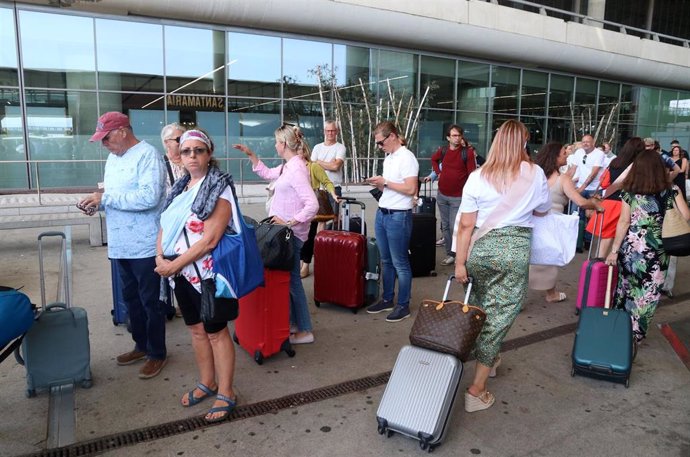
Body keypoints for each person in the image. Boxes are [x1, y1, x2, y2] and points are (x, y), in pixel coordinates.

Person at [453, 120, 551, 412]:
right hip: (513, 251)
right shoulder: (535, 173)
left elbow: (466, 224)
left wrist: (460, 263)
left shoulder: (477, 176)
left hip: (480, 252)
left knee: (483, 308)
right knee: (499, 317)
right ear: (523, 143)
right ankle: (476, 389)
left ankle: (491, 359)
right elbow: (543, 209)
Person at [154, 128, 239, 423]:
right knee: (196, 330)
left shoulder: (219, 187)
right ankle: (208, 382)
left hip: (206, 275)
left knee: (216, 333)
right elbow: (164, 225)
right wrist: (160, 257)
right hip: (178, 273)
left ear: (209, 153)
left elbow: (210, 240)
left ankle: (226, 391)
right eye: (186, 150)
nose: (192, 156)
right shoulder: (180, 188)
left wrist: (172, 266)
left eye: (198, 150)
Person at [79, 112, 167, 379]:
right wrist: (99, 202)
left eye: (106, 138)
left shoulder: (148, 155)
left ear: (122, 132)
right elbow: (115, 195)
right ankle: (141, 344)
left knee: (150, 301)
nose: (104, 144)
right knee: (130, 299)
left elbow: (148, 197)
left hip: (144, 244)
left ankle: (157, 352)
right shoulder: (112, 158)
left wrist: (107, 198)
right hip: (120, 243)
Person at [233, 124, 318, 344]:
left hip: (290, 236)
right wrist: (252, 156)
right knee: (289, 282)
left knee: (293, 283)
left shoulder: (296, 169)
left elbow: (312, 204)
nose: (274, 145)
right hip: (284, 234)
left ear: (283, 144)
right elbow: (268, 173)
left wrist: (290, 221)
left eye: (276, 141)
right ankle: (292, 324)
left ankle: (305, 330)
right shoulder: (288, 167)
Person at [605, 149, 690, 345]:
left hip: (631, 249)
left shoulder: (629, 191)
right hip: (658, 250)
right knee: (647, 294)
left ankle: (619, 329)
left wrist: (614, 250)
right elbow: (685, 216)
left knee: (625, 289)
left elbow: (624, 222)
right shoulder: (671, 190)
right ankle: (635, 337)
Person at [529, 142, 602, 303]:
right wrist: (595, 203)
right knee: (550, 258)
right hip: (552, 223)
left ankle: (523, 297)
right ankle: (551, 294)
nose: (567, 155)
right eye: (563, 153)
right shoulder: (563, 179)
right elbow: (580, 202)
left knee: (528, 259)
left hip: (531, 221)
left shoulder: (534, 174)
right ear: (555, 157)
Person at [365, 121, 419, 322]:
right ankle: (387, 299)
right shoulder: (389, 158)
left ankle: (403, 304)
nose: (380, 147)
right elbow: (393, 186)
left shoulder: (407, 157)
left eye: (381, 142)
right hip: (384, 213)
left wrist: (384, 182)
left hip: (398, 215)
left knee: (400, 262)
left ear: (393, 136)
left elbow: (411, 189)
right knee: (386, 261)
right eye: (377, 143)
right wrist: (379, 183)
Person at [585, 137, 644, 258]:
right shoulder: (638, 166)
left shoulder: (615, 162)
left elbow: (604, 182)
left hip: (609, 202)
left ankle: (599, 265)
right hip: (626, 204)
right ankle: (606, 267)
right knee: (621, 239)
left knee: (606, 237)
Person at [429, 124, 478, 266]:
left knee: (454, 226)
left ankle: (459, 254)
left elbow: (472, 175)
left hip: (458, 196)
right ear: (448, 138)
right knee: (445, 226)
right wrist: (439, 173)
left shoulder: (467, 153)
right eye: (454, 136)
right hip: (442, 194)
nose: (457, 138)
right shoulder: (443, 151)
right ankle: (450, 254)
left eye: (459, 135)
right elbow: (433, 159)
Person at [298, 148, 339, 279]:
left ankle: (305, 264)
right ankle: (299, 262)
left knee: (309, 236)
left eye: (298, 151)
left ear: (304, 152)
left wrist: (333, 194)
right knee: (297, 236)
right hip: (297, 205)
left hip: (311, 205)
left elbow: (326, 182)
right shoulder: (291, 167)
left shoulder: (313, 166)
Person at [160, 122, 187, 318]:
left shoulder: (190, 161)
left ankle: (185, 301)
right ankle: (169, 303)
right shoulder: (161, 165)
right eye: (178, 139)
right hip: (170, 224)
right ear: (166, 143)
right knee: (170, 261)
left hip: (190, 223)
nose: (182, 142)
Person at [571, 135, 605, 246]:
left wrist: (582, 188)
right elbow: (573, 169)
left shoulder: (599, 154)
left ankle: (588, 241)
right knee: (575, 214)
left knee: (592, 217)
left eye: (588, 142)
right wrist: (566, 181)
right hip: (580, 186)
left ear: (593, 142)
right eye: (583, 141)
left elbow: (593, 173)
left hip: (594, 189)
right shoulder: (579, 152)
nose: (585, 143)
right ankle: (576, 240)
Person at [311, 120, 346, 203]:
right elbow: (312, 166)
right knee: (318, 216)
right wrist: (330, 164)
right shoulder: (317, 147)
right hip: (319, 189)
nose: (330, 133)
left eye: (333, 130)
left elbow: (335, 167)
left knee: (334, 215)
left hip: (334, 188)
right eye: (328, 131)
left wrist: (319, 162)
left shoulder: (341, 147)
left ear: (337, 131)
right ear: (324, 131)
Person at [160, 122, 187, 191]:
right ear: (167, 142)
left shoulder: (191, 160)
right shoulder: (159, 164)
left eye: (184, 139)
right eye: (178, 139)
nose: (182, 142)